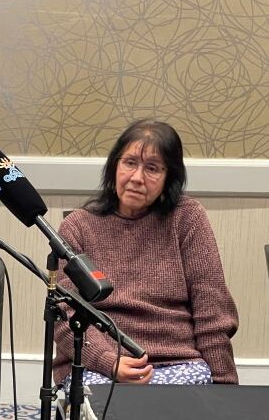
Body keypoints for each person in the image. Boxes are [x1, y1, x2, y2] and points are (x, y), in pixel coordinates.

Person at [53, 119, 239, 389]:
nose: (137, 178)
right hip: (102, 363)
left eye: (152, 168)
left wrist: (226, 388)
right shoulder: (78, 227)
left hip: (179, 362)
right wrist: (109, 361)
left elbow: (212, 310)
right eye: (129, 163)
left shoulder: (188, 219)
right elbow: (65, 314)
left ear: (168, 178)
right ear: (114, 166)